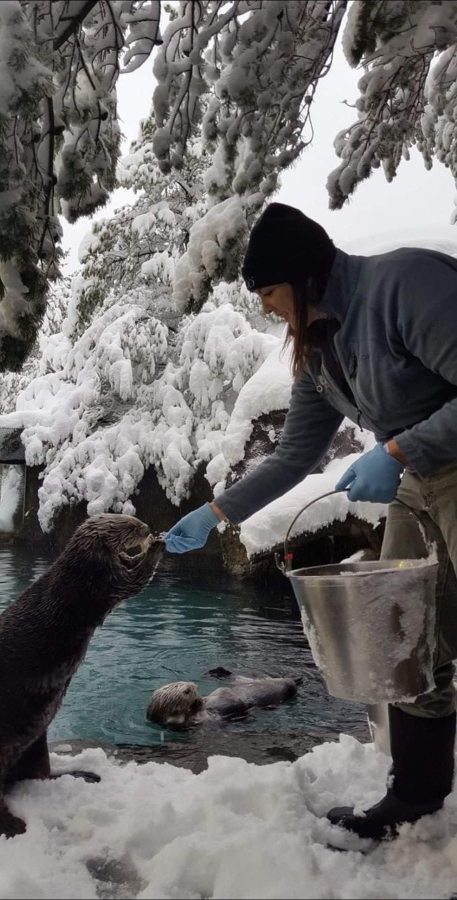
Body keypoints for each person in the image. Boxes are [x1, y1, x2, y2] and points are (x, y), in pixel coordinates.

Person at [163, 202, 457, 843]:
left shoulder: (405, 286)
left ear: (304, 275)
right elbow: (296, 454)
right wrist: (217, 513)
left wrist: (401, 449)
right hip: (421, 482)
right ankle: (416, 795)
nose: (267, 306)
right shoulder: (320, 350)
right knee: (403, 637)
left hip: (445, 465)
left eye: (270, 292)